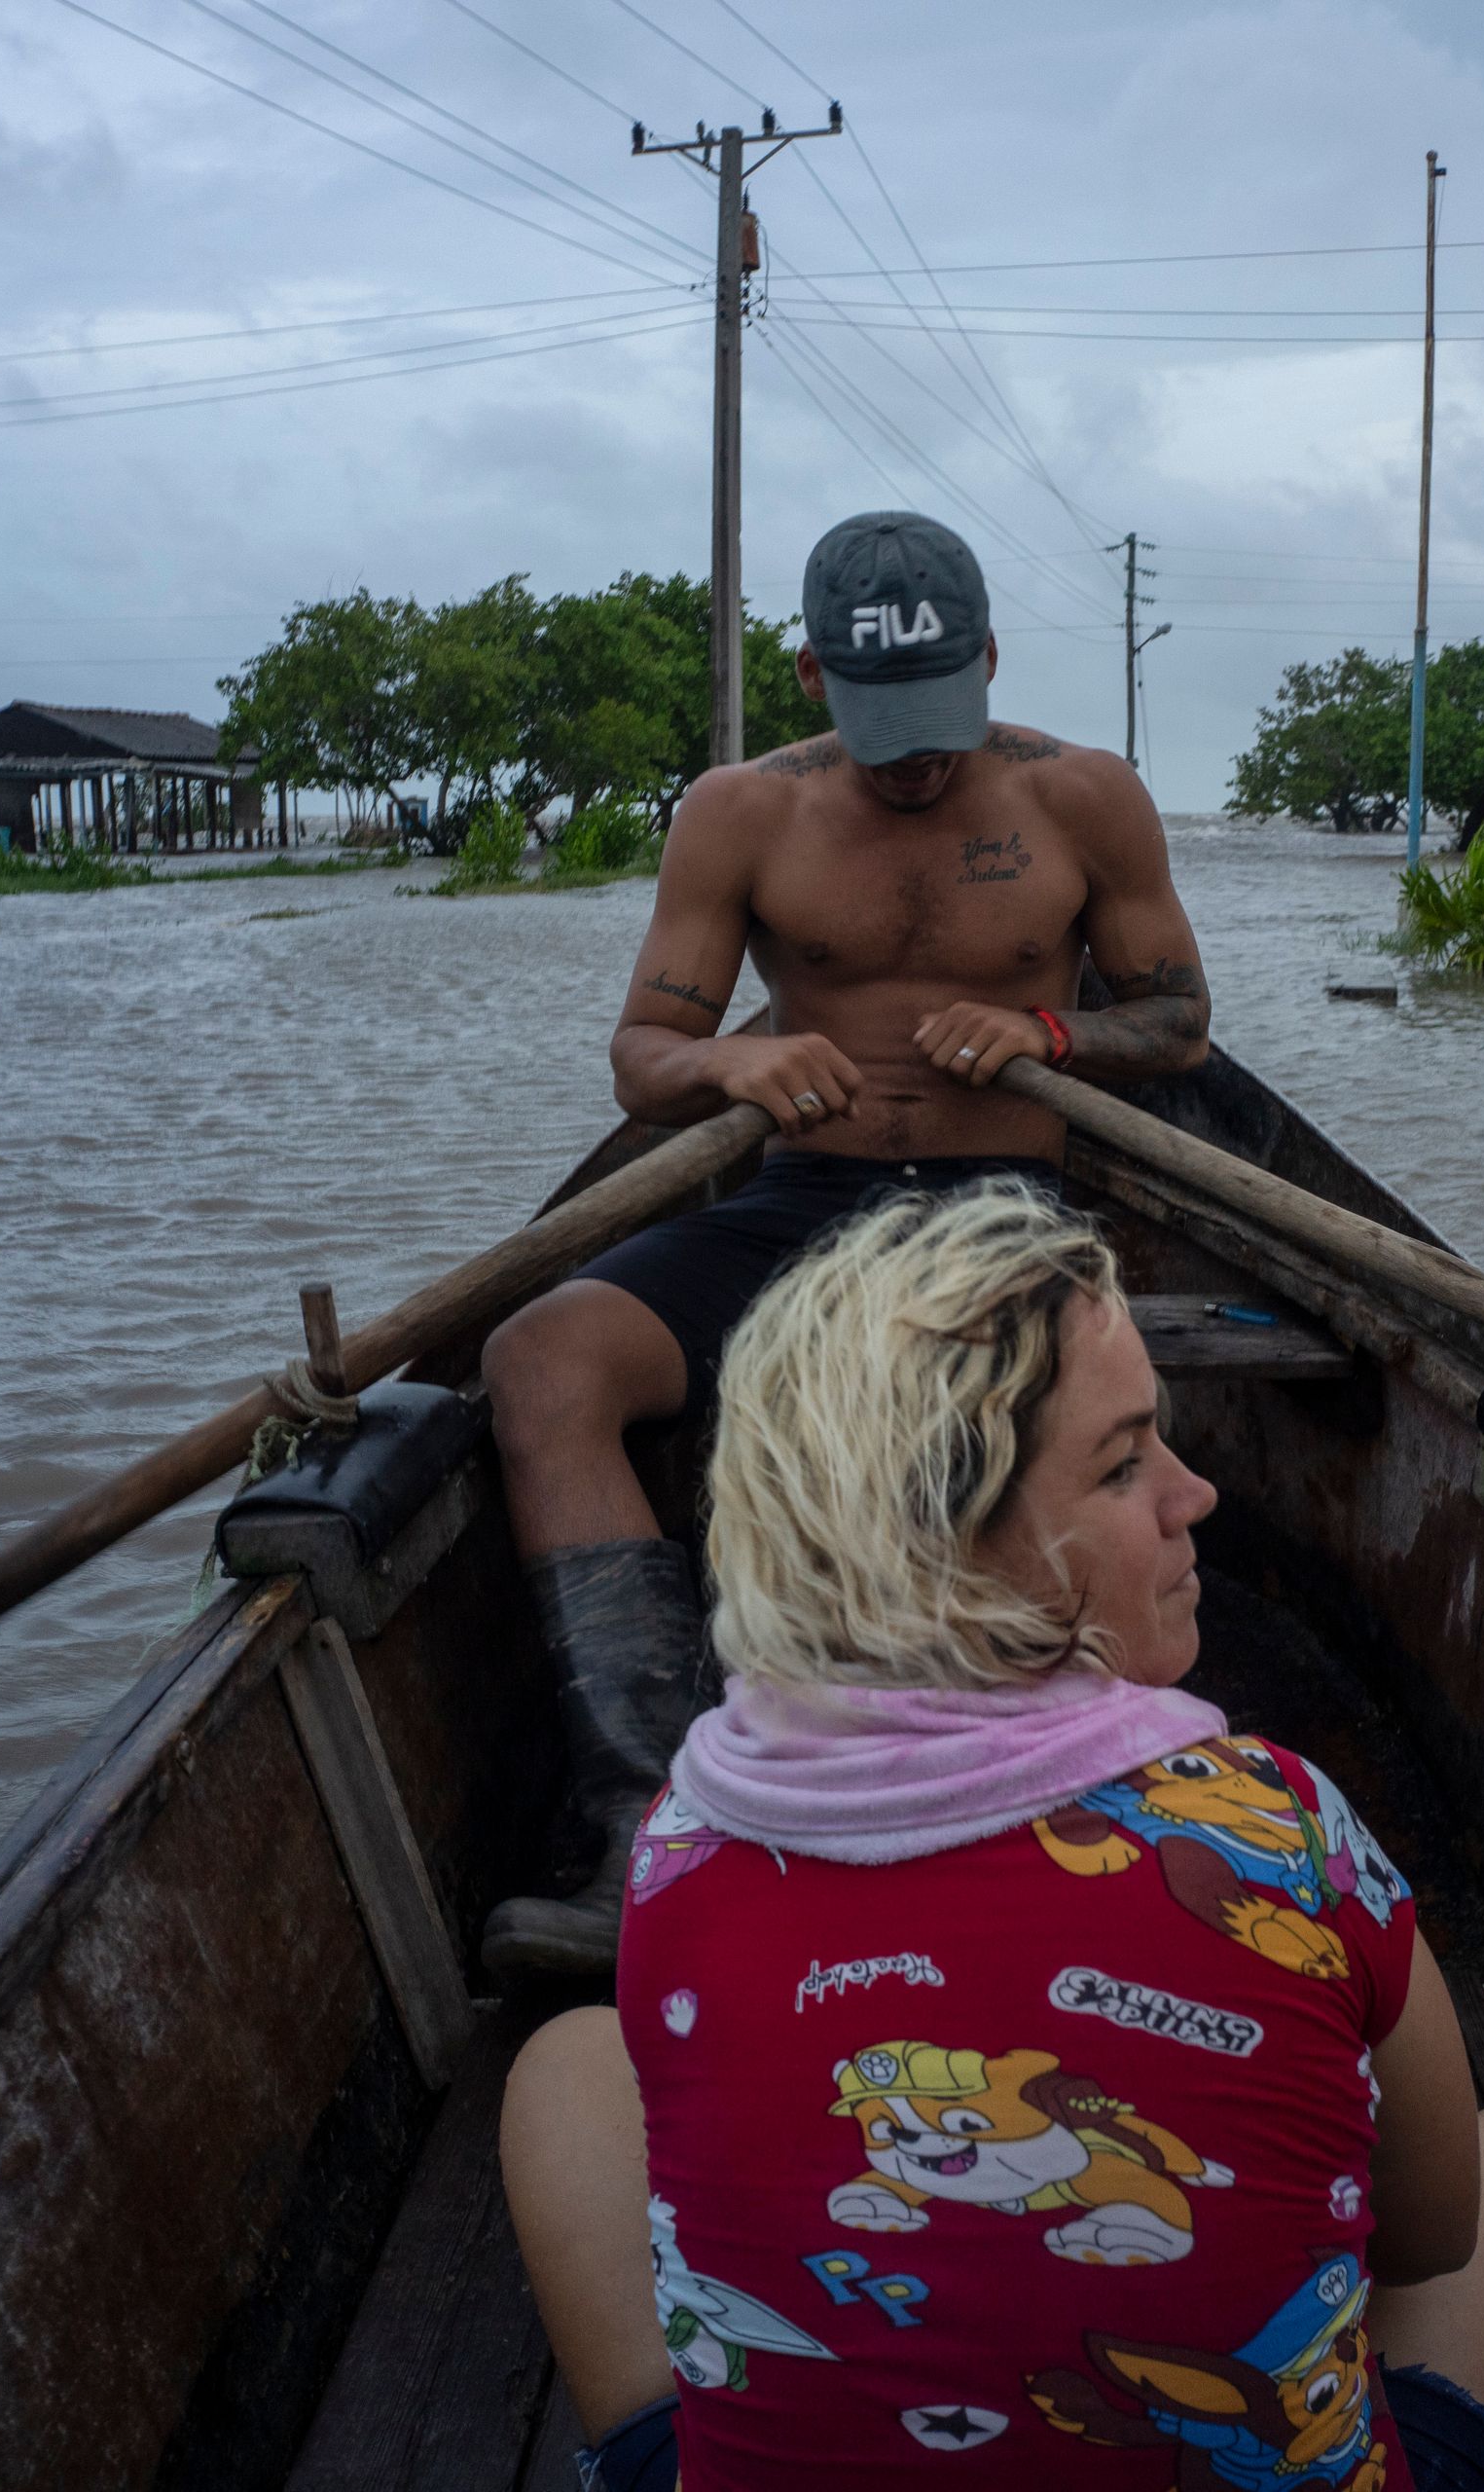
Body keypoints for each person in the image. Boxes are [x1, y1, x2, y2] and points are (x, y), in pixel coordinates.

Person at [502, 1186, 1484, 2489]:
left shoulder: (682, 1846)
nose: (1195, 1492)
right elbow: (1428, 2233)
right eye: (1125, 1460)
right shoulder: (1279, 1828)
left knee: (570, 2069)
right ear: (952, 1542)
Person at [477, 511, 1213, 1979]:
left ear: (990, 660)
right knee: (541, 1360)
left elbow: (1182, 1025)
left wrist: (1047, 1030)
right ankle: (648, 1819)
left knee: (985, 1407)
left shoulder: (1085, 798)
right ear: (811, 677)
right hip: (803, 1206)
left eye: (939, 721)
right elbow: (641, 1054)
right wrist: (732, 1070)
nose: (914, 763)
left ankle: (1088, 1794)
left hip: (1008, 1215)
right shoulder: (740, 813)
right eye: (880, 728)